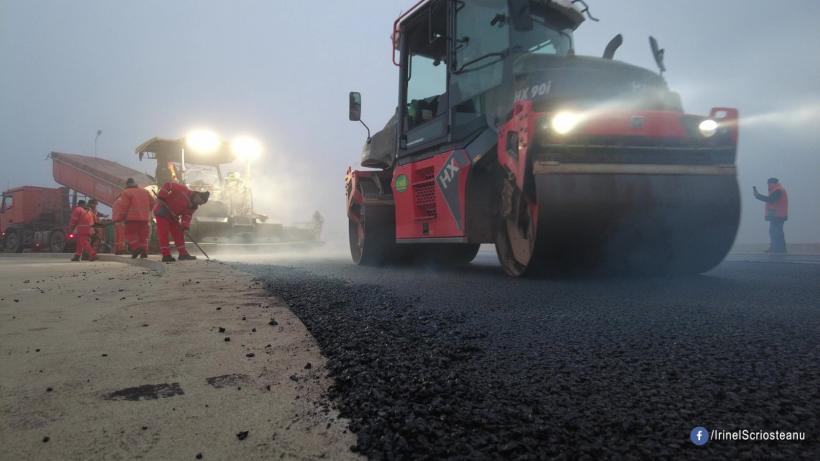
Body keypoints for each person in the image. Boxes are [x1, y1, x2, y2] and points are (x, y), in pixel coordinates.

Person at [153, 182, 209, 262]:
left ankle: (183, 254)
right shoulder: (183, 190)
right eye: (200, 201)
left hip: (173, 217)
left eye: (201, 203)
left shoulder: (193, 206)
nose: (199, 204)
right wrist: (162, 196)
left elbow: (187, 216)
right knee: (163, 233)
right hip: (162, 211)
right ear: (198, 195)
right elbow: (168, 185)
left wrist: (185, 226)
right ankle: (166, 255)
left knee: (179, 233)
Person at [114, 178, 154, 259]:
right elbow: (153, 203)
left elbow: (124, 207)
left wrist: (120, 218)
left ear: (127, 184)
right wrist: (147, 211)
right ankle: (144, 252)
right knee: (143, 236)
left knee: (130, 234)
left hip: (131, 218)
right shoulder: (145, 191)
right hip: (144, 218)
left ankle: (136, 248)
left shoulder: (126, 192)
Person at [753, 178, 789, 254]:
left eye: (768, 183)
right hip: (777, 214)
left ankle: (779, 248)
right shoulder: (777, 189)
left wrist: (758, 196)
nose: (768, 185)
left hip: (777, 214)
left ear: (772, 183)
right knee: (775, 231)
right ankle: (776, 247)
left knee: (776, 231)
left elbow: (771, 200)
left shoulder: (778, 190)